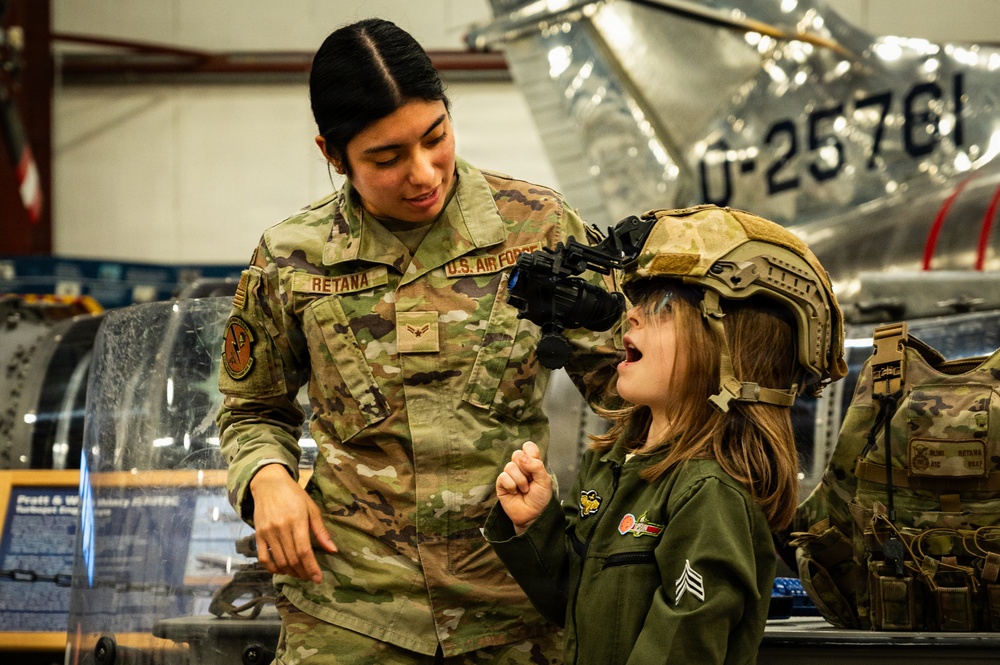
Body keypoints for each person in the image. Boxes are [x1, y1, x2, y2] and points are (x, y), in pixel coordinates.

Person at [216, 17, 621, 665]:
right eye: (386, 157)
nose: (424, 171)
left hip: (513, 601)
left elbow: (632, 388)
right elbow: (251, 407)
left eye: (437, 137)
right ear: (332, 154)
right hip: (350, 608)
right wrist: (268, 477)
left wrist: (600, 525)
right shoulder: (290, 259)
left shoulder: (537, 230)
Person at [484, 205, 848, 665]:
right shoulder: (617, 462)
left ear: (725, 347)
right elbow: (577, 606)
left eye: (662, 308)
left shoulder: (708, 496)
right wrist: (536, 526)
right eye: (637, 302)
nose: (631, 316)